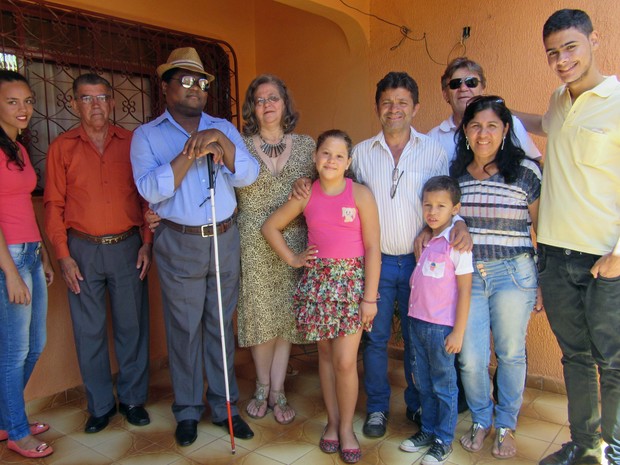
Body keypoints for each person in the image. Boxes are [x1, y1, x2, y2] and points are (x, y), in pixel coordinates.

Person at [130, 47, 259, 446]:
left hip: (224, 237)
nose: (194, 88)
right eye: (184, 80)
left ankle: (225, 408)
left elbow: (248, 175)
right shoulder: (147, 135)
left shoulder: (223, 126)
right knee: (183, 330)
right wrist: (192, 152)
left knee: (220, 326)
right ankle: (187, 410)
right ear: (166, 88)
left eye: (200, 81)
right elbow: (151, 188)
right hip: (179, 241)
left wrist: (219, 139)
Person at [515, 9, 620, 465]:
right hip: (555, 257)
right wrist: (494, 108)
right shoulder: (559, 100)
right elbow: (545, 125)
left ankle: (615, 451)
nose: (562, 59)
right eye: (553, 53)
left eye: (571, 47)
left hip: (604, 259)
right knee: (575, 357)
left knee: (613, 363)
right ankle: (583, 445)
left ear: (594, 41)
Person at [262, 129, 380, 464]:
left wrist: (369, 297)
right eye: (325, 153)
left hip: (352, 284)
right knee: (326, 359)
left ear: (348, 162)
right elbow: (270, 227)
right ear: (316, 158)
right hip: (318, 283)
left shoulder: (360, 194)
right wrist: (294, 258)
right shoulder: (306, 194)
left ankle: (346, 429)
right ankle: (332, 422)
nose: (331, 160)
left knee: (345, 361)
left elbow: (373, 247)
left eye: (339, 155)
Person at [44, 73, 152, 434]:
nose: (96, 105)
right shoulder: (63, 147)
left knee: (131, 327)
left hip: (127, 248)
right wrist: (62, 254)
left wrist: (148, 243)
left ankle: (134, 400)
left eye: (102, 98)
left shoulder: (132, 142)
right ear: (74, 104)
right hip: (82, 250)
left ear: (113, 103)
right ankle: (100, 406)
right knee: (88, 331)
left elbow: (145, 198)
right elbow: (54, 204)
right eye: (87, 99)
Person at [451, 95, 542, 460]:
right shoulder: (456, 173)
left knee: (509, 353)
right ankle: (481, 418)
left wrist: (543, 282)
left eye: (491, 125)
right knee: (471, 358)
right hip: (469, 276)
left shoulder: (525, 172)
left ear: (505, 130)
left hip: (514, 275)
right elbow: (445, 219)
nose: (483, 133)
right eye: (475, 125)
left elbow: (544, 228)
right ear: (466, 131)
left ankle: (505, 424)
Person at [238, 74, 315, 425]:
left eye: (273, 98)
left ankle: (278, 389)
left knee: (285, 317)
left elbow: (328, 184)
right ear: (252, 108)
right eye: (259, 99)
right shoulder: (237, 146)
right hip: (252, 242)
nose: (267, 104)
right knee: (259, 316)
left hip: (294, 240)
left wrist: (309, 183)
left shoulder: (307, 146)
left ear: (285, 104)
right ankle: (261, 385)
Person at [399, 175, 472, 465]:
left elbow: (465, 292)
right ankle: (427, 430)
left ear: (455, 208)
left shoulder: (457, 244)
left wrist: (458, 333)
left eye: (441, 206)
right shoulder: (426, 239)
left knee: (444, 385)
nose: (432, 211)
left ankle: (443, 438)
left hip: (441, 329)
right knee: (424, 384)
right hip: (416, 323)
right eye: (427, 204)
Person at [0, 70, 54, 459]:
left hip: (31, 252)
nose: (24, 109)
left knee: (36, 345)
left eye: (28, 101)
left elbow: (21, 208)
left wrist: (44, 255)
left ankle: (7, 417)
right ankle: (17, 431)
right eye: (12, 101)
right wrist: (10, 272)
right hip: (10, 258)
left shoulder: (16, 147)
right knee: (14, 351)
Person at [428, 57, 541, 163]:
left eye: (471, 82)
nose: (463, 88)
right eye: (455, 84)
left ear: (482, 88)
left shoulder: (509, 124)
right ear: (445, 94)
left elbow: (536, 167)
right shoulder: (433, 139)